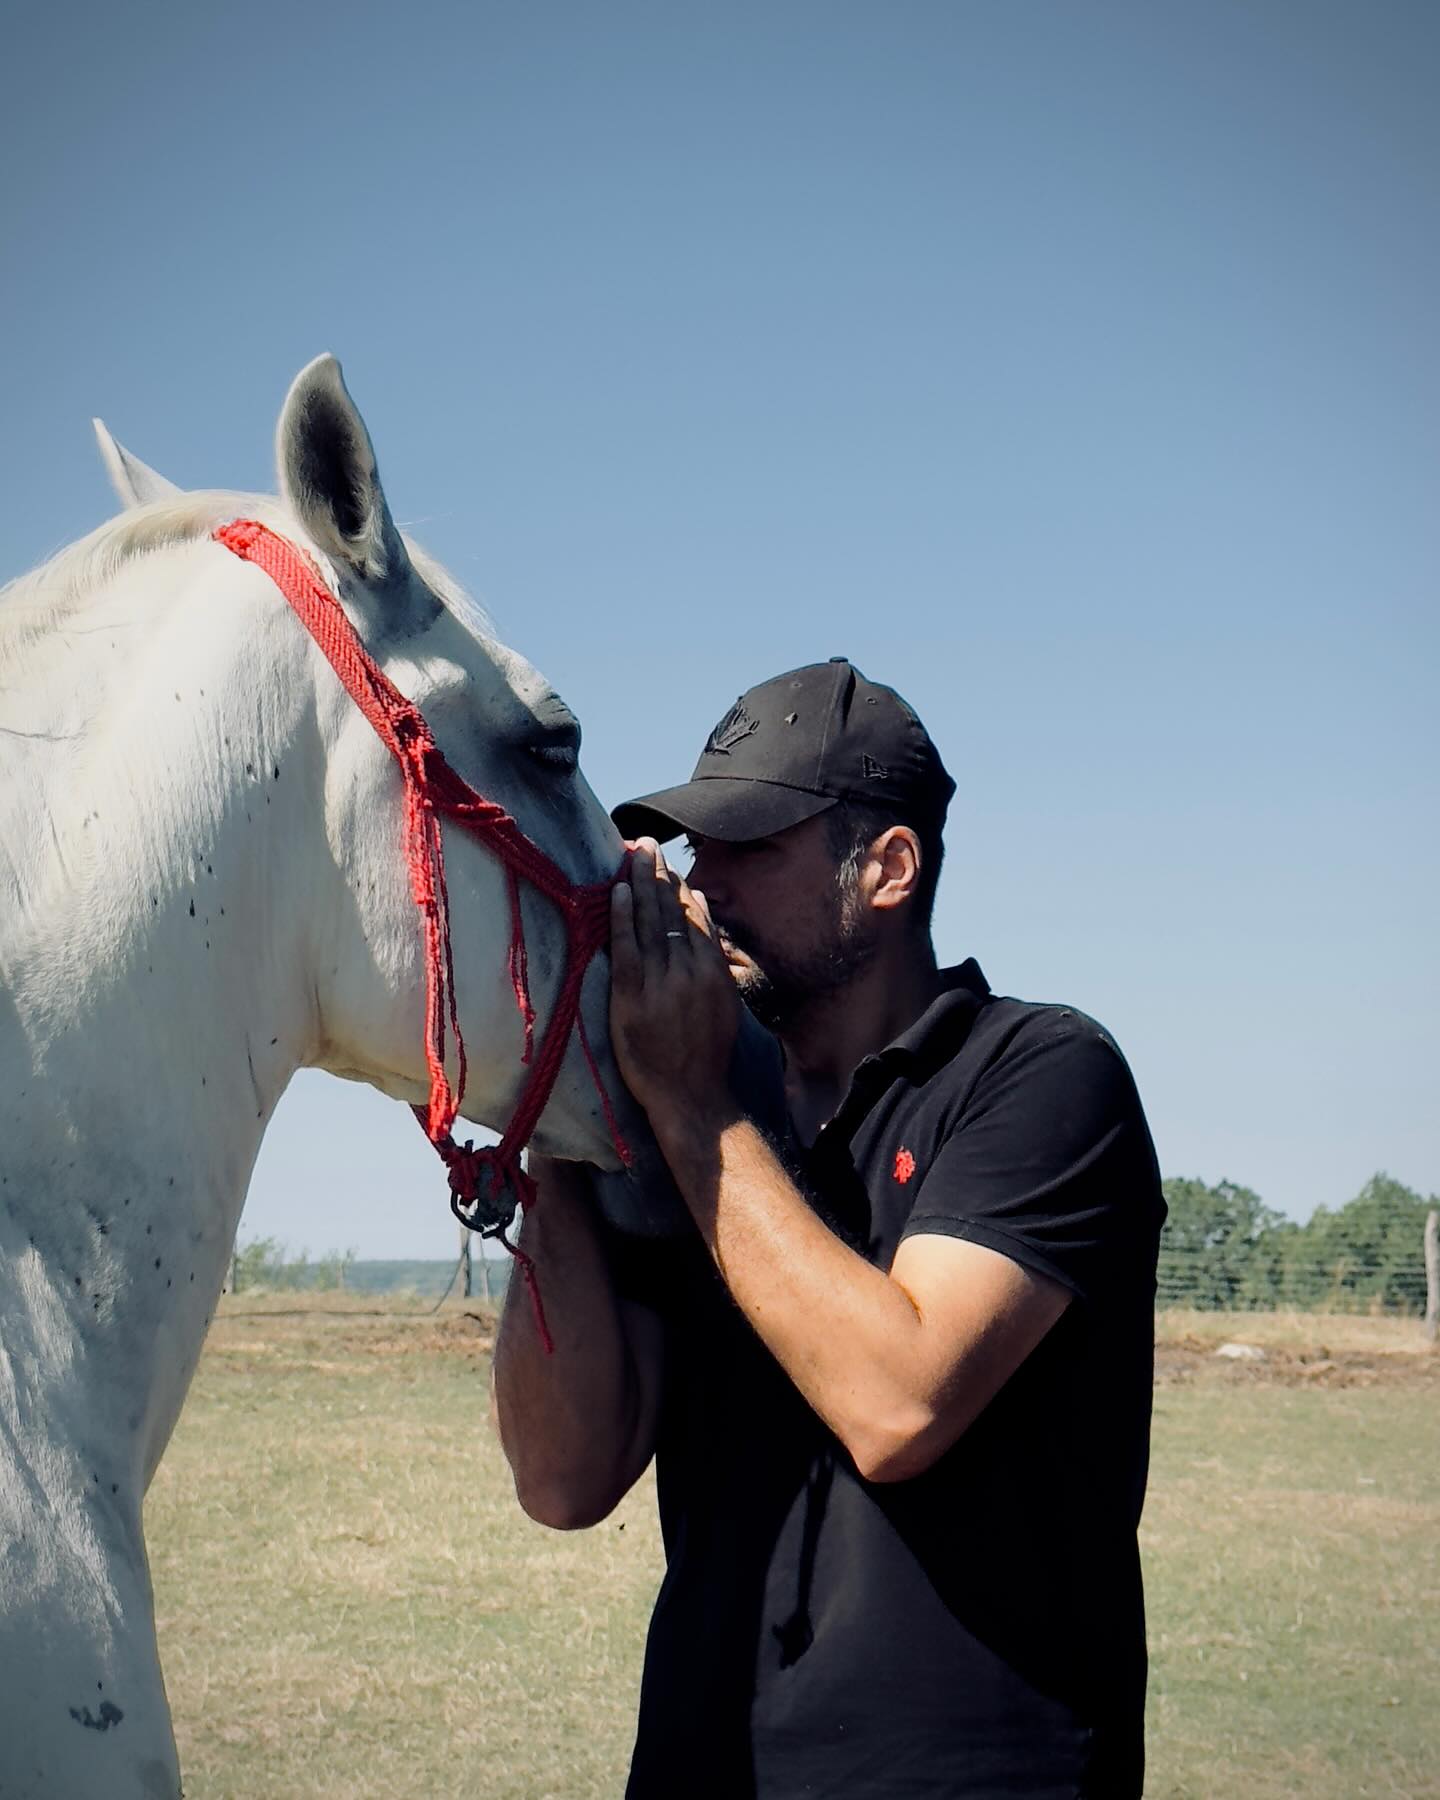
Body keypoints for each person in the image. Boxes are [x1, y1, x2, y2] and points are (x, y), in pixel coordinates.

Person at [492, 658, 1165, 1799]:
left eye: (750, 846)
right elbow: (564, 1479)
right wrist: (556, 1120)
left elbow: (900, 1400)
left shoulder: (1043, 1074)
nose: (703, 885)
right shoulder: (688, 1122)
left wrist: (695, 1110)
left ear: (887, 869)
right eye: (696, 849)